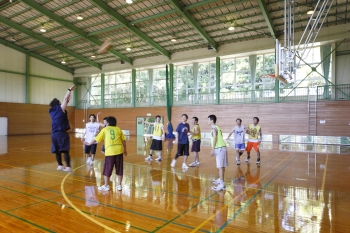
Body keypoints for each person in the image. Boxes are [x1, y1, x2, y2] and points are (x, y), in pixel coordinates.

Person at [85, 116, 127, 191]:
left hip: (110, 152)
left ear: (107, 123)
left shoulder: (105, 129)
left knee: (107, 169)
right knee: (119, 169)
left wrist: (89, 144)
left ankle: (106, 185)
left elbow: (96, 138)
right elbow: (123, 140)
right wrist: (125, 150)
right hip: (119, 151)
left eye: (105, 122)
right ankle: (119, 185)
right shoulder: (118, 129)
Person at [49, 85, 75, 172]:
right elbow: (64, 99)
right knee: (65, 150)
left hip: (54, 134)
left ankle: (60, 165)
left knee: (57, 151)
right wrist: (69, 90)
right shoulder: (60, 108)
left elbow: (63, 105)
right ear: (58, 103)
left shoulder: (52, 111)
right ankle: (68, 167)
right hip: (62, 133)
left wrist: (67, 101)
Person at [209, 114, 228, 192]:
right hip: (223, 148)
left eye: (208, 120)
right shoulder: (218, 127)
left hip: (219, 148)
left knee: (220, 167)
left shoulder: (213, 128)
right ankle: (221, 181)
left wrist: (212, 149)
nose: (208, 121)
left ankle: (221, 185)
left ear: (212, 121)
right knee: (222, 167)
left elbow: (215, 138)